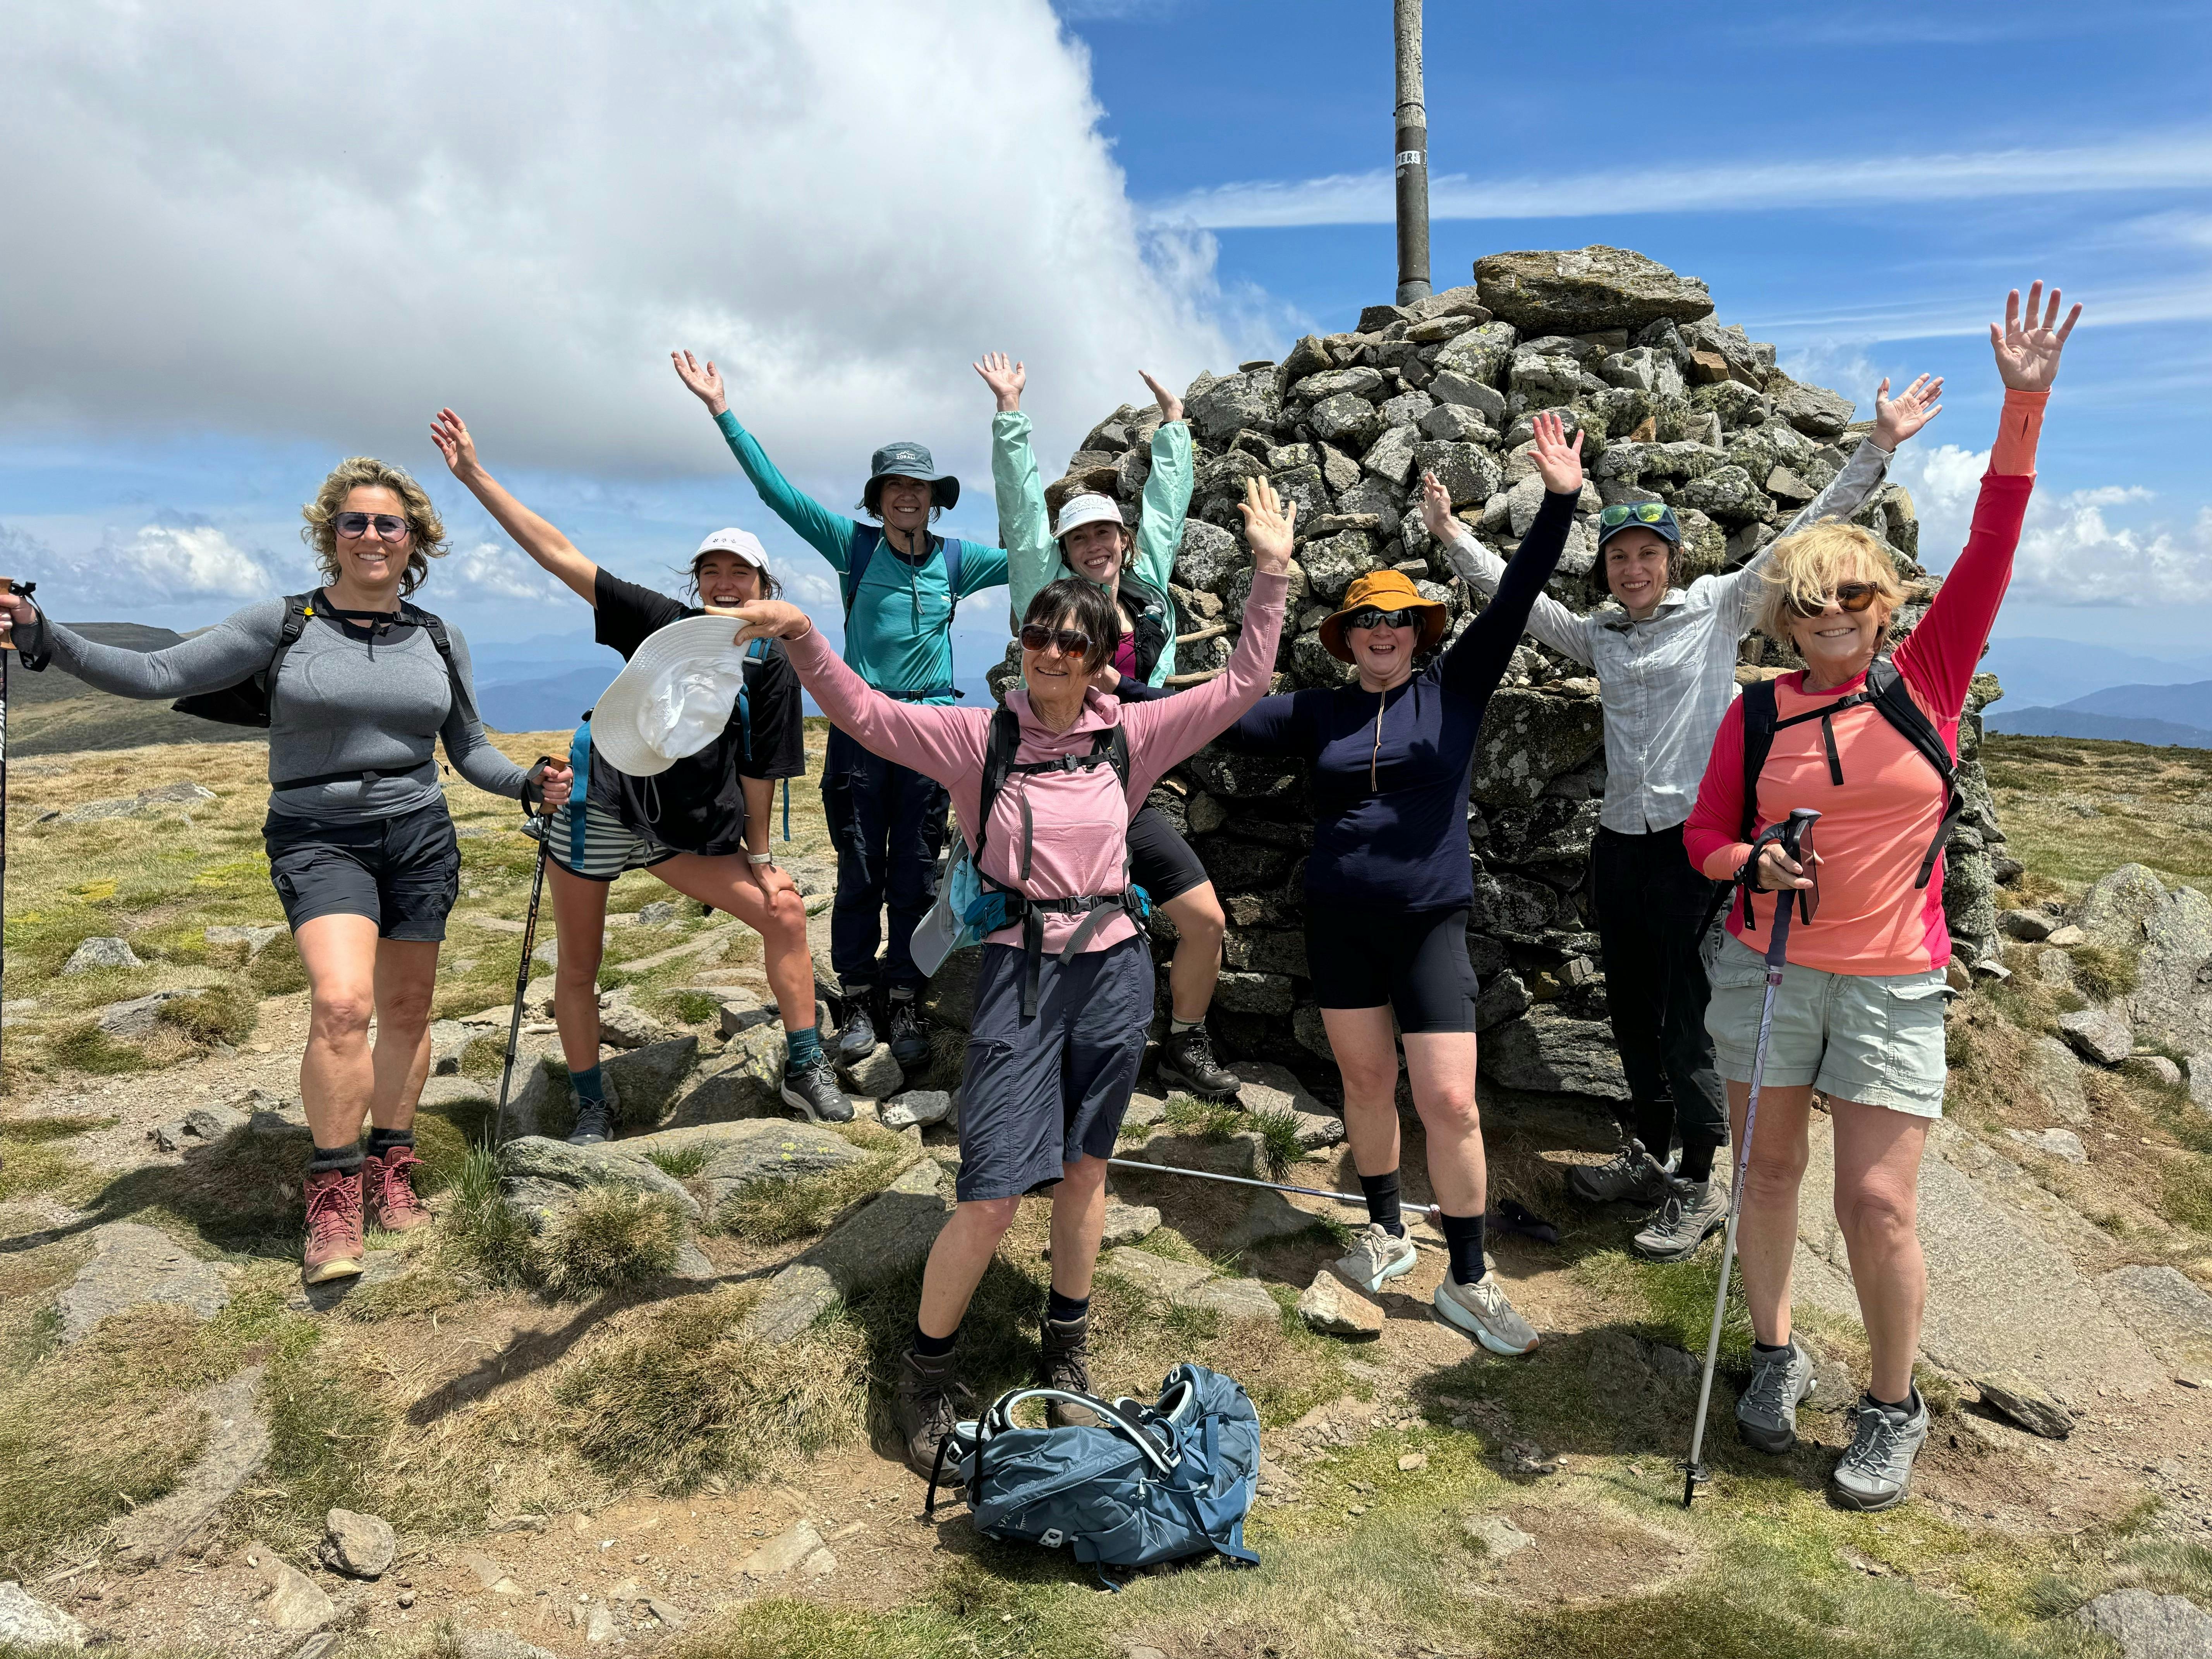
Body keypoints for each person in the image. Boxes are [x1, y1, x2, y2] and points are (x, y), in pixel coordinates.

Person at [730, 477, 1295, 1480]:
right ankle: (925, 1370)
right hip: (1019, 981)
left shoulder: (1133, 734)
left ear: (1097, 658)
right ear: (1022, 645)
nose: (1052, 653)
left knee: (1086, 1169)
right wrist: (804, 636)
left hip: (1117, 975)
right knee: (990, 1190)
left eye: (1073, 642)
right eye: (1039, 635)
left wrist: (1272, 571)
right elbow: (863, 712)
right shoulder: (975, 739)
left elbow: (1246, 681)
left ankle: (1065, 1337)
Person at [1683, 283, 2077, 1511]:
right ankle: (1773, 1352)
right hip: (1767, 964)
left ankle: (1893, 1402)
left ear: (1885, 604)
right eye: (1810, 599)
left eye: (1855, 594)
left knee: (1876, 1200)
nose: (1835, 613)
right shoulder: (1757, 712)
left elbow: (1997, 544)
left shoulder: (1933, 675)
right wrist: (1751, 864)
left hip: (1893, 978)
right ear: (1785, 614)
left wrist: (2024, 405)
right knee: (1764, 1173)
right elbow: (1704, 836)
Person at [0, 458, 571, 1283]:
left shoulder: (439, 636)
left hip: (419, 834)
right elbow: (159, 673)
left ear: (415, 540)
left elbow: (469, 747)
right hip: (318, 834)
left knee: (407, 1006)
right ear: (330, 536)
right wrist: (43, 634)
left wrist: (526, 783)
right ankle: (333, 1193)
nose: (371, 536)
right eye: (355, 523)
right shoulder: (286, 623)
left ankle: (393, 1167)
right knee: (343, 1004)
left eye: (388, 524)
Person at [1428, 373, 1945, 1262]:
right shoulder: (1599, 634)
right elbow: (1521, 600)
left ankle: (1700, 1179)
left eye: (1649, 555)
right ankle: (1652, 1152)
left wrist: (1880, 446)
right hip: (1620, 842)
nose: (1634, 569)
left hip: (1697, 846)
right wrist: (1451, 537)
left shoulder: (1716, 610)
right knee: (1629, 1006)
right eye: (1620, 557)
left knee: (1689, 1013)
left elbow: (1798, 539)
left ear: (1674, 562)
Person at [1212, 412, 1586, 1355]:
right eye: (1366, 620)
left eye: (1398, 619)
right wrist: (1101, 691)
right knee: (1367, 1080)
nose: (1382, 632)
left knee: (1451, 1101)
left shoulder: (1456, 686)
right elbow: (1215, 715)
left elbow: (1523, 591)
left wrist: (1560, 498)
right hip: (1338, 920)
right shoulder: (1317, 712)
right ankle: (1384, 1233)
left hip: (1428, 923)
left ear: (1420, 631)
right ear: (1346, 636)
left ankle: (1467, 1277)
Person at [430, 410, 849, 1131]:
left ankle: (805, 1064)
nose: (724, 583)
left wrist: (761, 857)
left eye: (738, 572)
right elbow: (560, 556)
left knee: (781, 911)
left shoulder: (771, 665)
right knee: (580, 966)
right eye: (711, 571)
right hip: (596, 804)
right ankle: (592, 1103)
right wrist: (473, 475)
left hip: (675, 828)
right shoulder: (661, 624)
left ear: (761, 583)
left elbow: (759, 772)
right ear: (696, 581)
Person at [672, 350, 1007, 1075]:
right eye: (894, 487)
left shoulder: (958, 561)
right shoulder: (853, 547)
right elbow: (778, 495)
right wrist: (722, 411)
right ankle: (857, 994)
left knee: (916, 869)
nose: (906, 497)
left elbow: (1038, 558)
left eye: (917, 487)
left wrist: (1012, 419)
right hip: (861, 728)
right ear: (878, 497)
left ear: (934, 497)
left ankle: (906, 992)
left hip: (932, 734)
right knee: (860, 864)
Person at [973, 352, 1240, 1101]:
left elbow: (1167, 514)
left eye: (1107, 535)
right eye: (1082, 539)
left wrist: (1178, 430)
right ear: (1064, 551)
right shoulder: (1048, 595)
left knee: (1206, 920)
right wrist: (1010, 413)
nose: (1099, 546)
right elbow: (1019, 511)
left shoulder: (1149, 594)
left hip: (1125, 787)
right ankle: (1044, 1058)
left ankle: (1185, 1041)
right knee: (1056, 926)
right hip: (1050, 790)